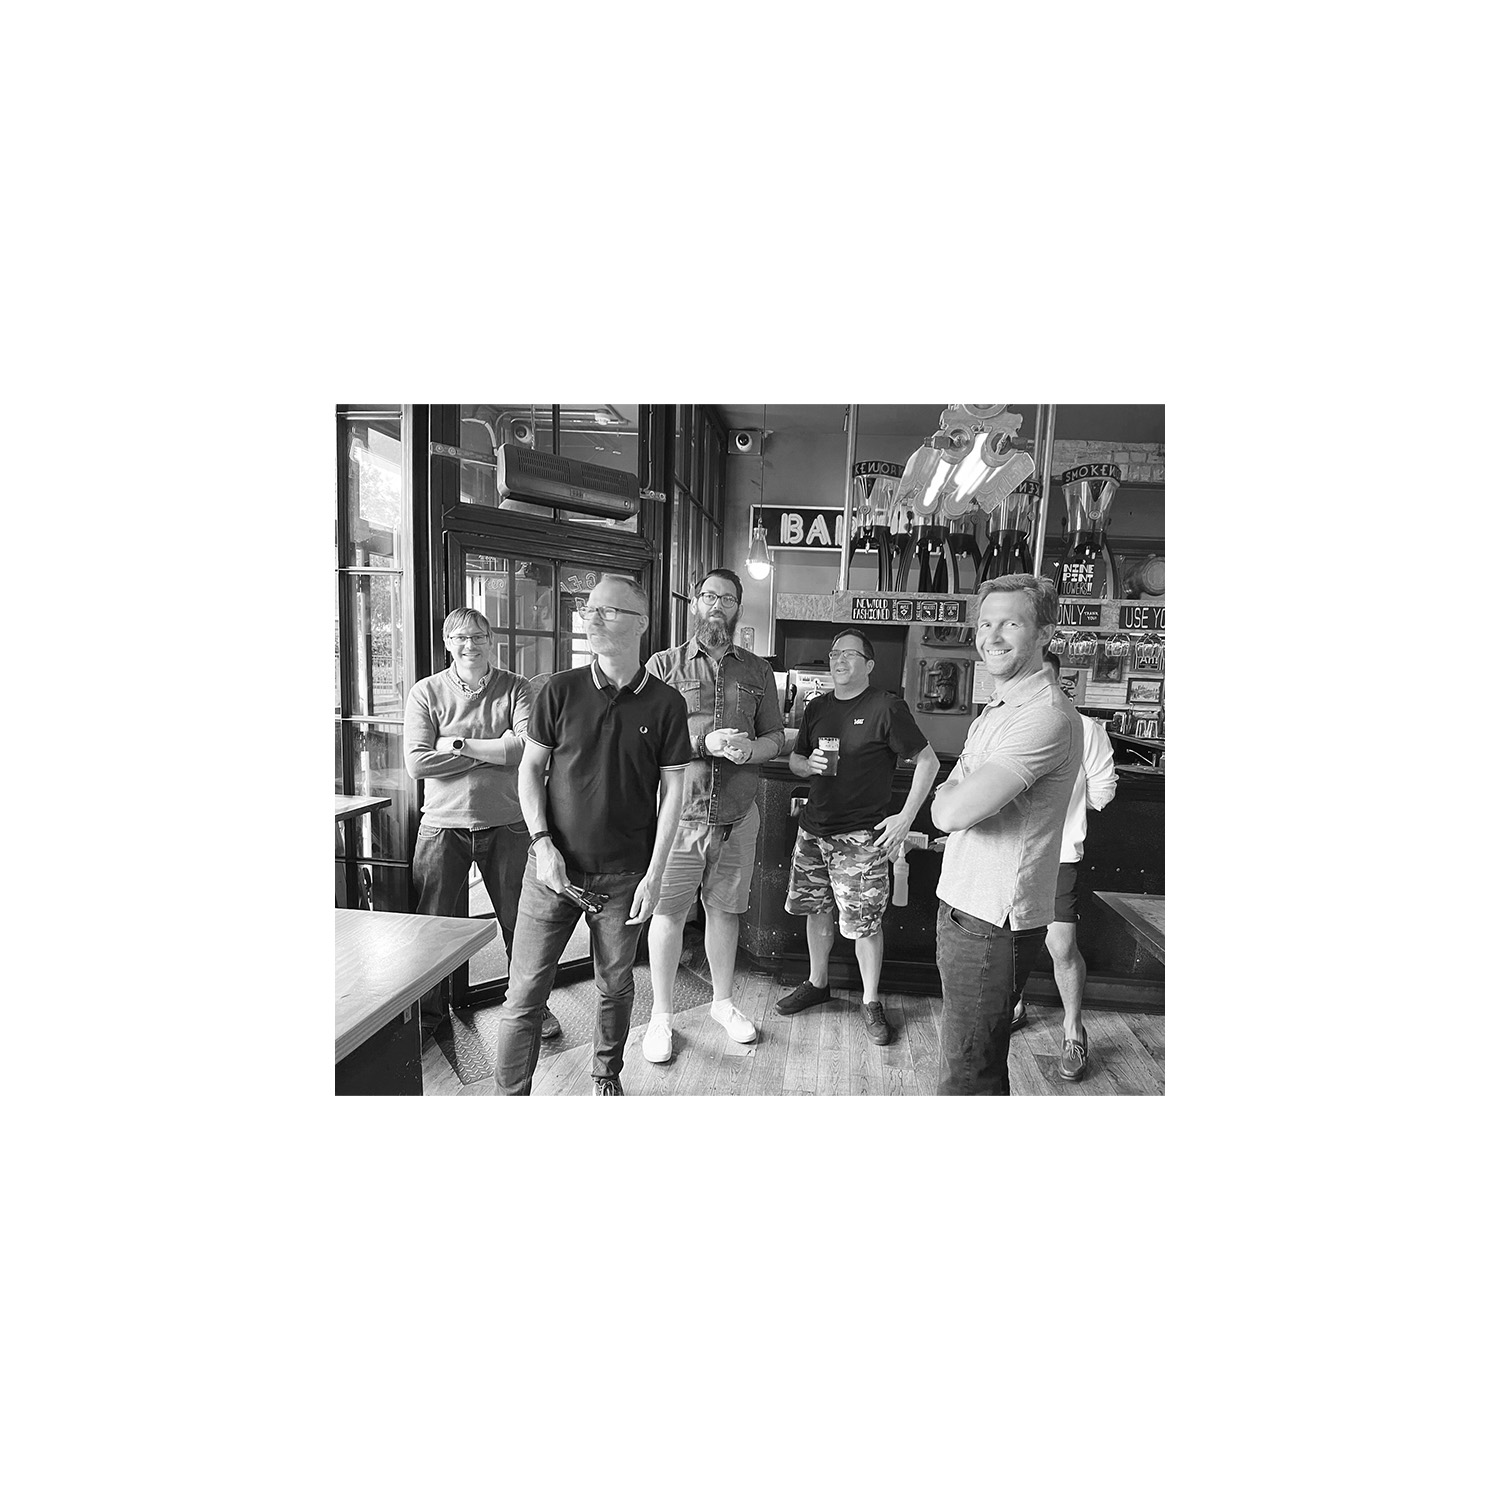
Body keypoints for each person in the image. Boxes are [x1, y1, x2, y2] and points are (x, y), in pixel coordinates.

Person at [491, 575, 692, 1096]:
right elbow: (529, 771)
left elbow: (675, 794)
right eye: (589, 610)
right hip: (552, 869)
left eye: (608, 610)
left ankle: (607, 1075)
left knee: (615, 986)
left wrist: (655, 875)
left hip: (626, 874)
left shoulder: (666, 704)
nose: (592, 618)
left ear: (641, 623)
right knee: (524, 994)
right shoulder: (558, 690)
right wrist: (541, 845)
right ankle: (509, 1097)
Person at [930, 575, 1082, 1094]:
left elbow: (950, 812)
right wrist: (955, 796)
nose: (992, 636)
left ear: (1044, 633)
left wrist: (954, 798)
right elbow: (952, 794)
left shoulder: (1044, 717)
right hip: (965, 906)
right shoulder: (998, 707)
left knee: (969, 1076)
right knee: (968, 1060)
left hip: (993, 921)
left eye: (1011, 623)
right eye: (986, 623)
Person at [642, 568, 785, 1062]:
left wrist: (752, 752)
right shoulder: (663, 665)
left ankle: (722, 1004)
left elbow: (776, 738)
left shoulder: (758, 671)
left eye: (727, 598)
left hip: (738, 814)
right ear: (695, 604)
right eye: (709, 596)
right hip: (680, 817)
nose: (717, 605)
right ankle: (661, 1016)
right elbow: (646, 743)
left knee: (726, 912)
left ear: (738, 608)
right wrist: (704, 743)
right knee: (669, 914)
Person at [401, 606, 560, 1042]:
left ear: (491, 641)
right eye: (459, 638)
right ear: (447, 644)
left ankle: (532, 1008)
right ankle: (429, 1018)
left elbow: (525, 749)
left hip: (508, 823)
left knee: (521, 924)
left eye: (478, 637)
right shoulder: (425, 692)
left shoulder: (517, 688)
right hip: (442, 826)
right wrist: (493, 749)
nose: (469, 645)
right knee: (433, 928)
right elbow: (416, 763)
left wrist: (455, 744)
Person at [776, 628, 941, 1044]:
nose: (838, 660)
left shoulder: (886, 707)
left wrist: (905, 816)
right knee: (816, 911)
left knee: (865, 926)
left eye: (849, 654)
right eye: (834, 653)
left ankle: (870, 1001)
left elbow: (928, 762)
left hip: (861, 839)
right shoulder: (816, 707)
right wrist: (806, 764)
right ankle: (817, 983)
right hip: (813, 832)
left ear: (869, 665)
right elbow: (796, 759)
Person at [1010, 649, 1117, 1082]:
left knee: (1060, 946)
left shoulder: (1086, 729)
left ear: (1059, 682)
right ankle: (1013, 1007)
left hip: (1058, 855)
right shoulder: (1006, 722)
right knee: (1008, 939)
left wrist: (1069, 812)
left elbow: (1103, 793)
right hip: (1009, 854)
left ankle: (1074, 1031)